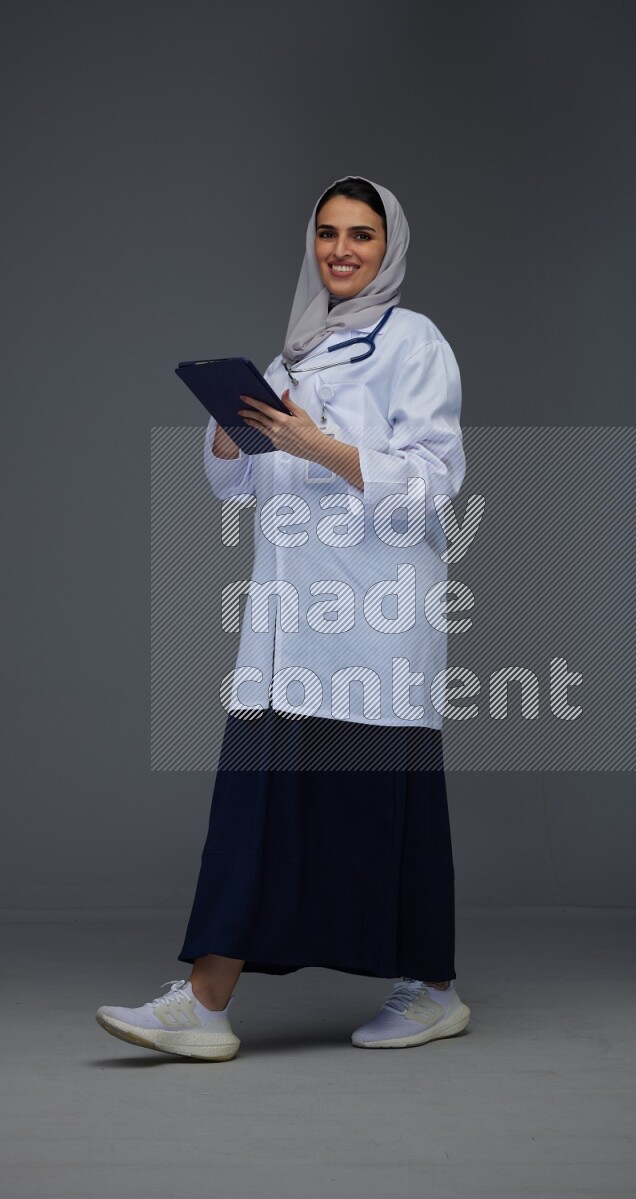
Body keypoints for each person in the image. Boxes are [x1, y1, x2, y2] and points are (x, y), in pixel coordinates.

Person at [96, 175, 471, 1060]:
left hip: (373, 615)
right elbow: (237, 485)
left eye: (361, 235)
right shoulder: (292, 355)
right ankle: (205, 1003)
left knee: (387, 807)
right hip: (287, 620)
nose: (341, 250)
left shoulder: (414, 342)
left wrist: (318, 445)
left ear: (388, 248)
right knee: (255, 806)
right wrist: (231, 434)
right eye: (328, 233)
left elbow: (434, 481)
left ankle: (433, 991)